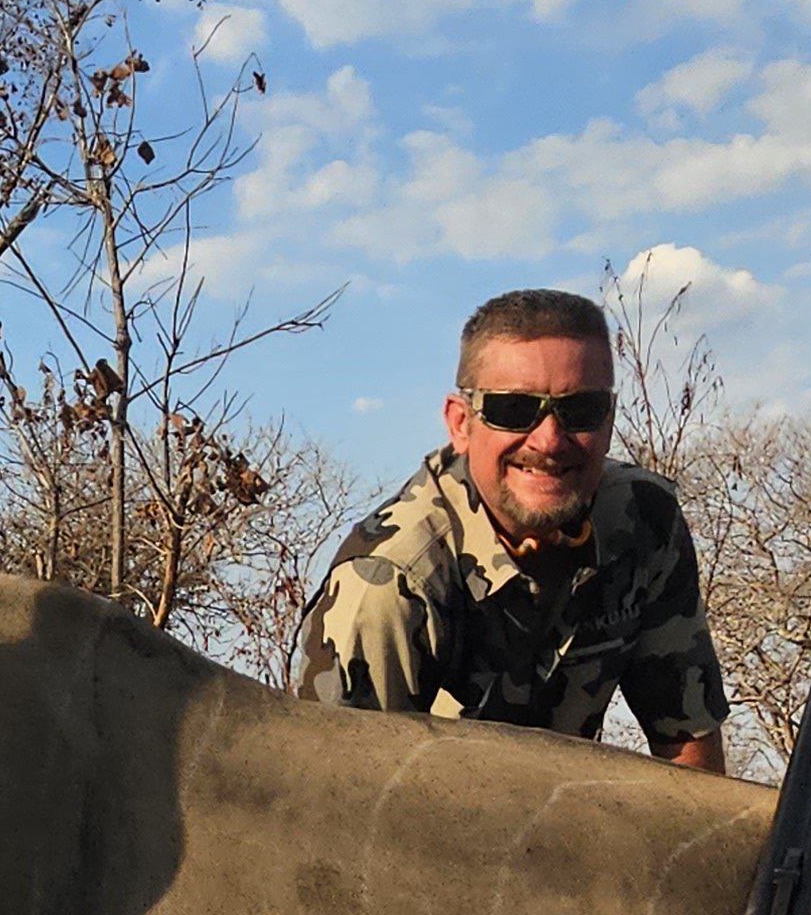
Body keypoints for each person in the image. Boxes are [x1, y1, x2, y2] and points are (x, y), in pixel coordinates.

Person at [295, 289, 727, 765]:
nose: (549, 440)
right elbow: (333, 802)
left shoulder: (645, 518)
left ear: (608, 419)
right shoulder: (387, 583)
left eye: (580, 410)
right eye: (514, 410)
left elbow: (687, 748)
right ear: (461, 423)